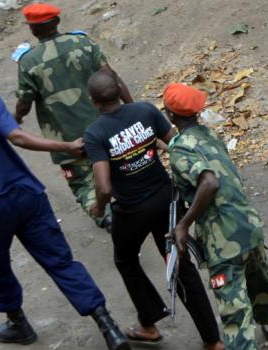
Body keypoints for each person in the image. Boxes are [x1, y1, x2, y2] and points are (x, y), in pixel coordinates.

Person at [0, 54, 131, 350]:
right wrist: (68, 146)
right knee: (60, 261)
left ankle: (18, 323)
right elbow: (18, 137)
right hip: (27, 195)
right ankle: (108, 325)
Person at [83, 71, 224, 350]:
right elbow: (176, 143)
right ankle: (213, 340)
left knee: (126, 260)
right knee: (181, 265)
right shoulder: (145, 110)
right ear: (119, 90)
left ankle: (149, 323)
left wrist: (98, 207)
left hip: (131, 211)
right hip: (166, 199)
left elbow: (103, 187)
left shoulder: (95, 133)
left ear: (93, 102)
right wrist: (149, 142)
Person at [164, 83, 268, 350]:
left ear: (170, 115)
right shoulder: (209, 135)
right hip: (249, 226)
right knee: (260, 286)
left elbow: (209, 183)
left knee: (235, 311)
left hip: (223, 240)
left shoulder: (180, 148)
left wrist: (183, 225)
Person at [14, 2, 134, 232]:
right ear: (57, 22)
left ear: (32, 29)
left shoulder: (28, 62)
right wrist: (132, 110)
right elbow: (112, 77)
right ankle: (130, 206)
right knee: (119, 166)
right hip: (106, 126)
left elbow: (24, 104)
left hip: (67, 141)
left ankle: (107, 218)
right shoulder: (83, 42)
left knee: (82, 182)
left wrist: (15, 120)